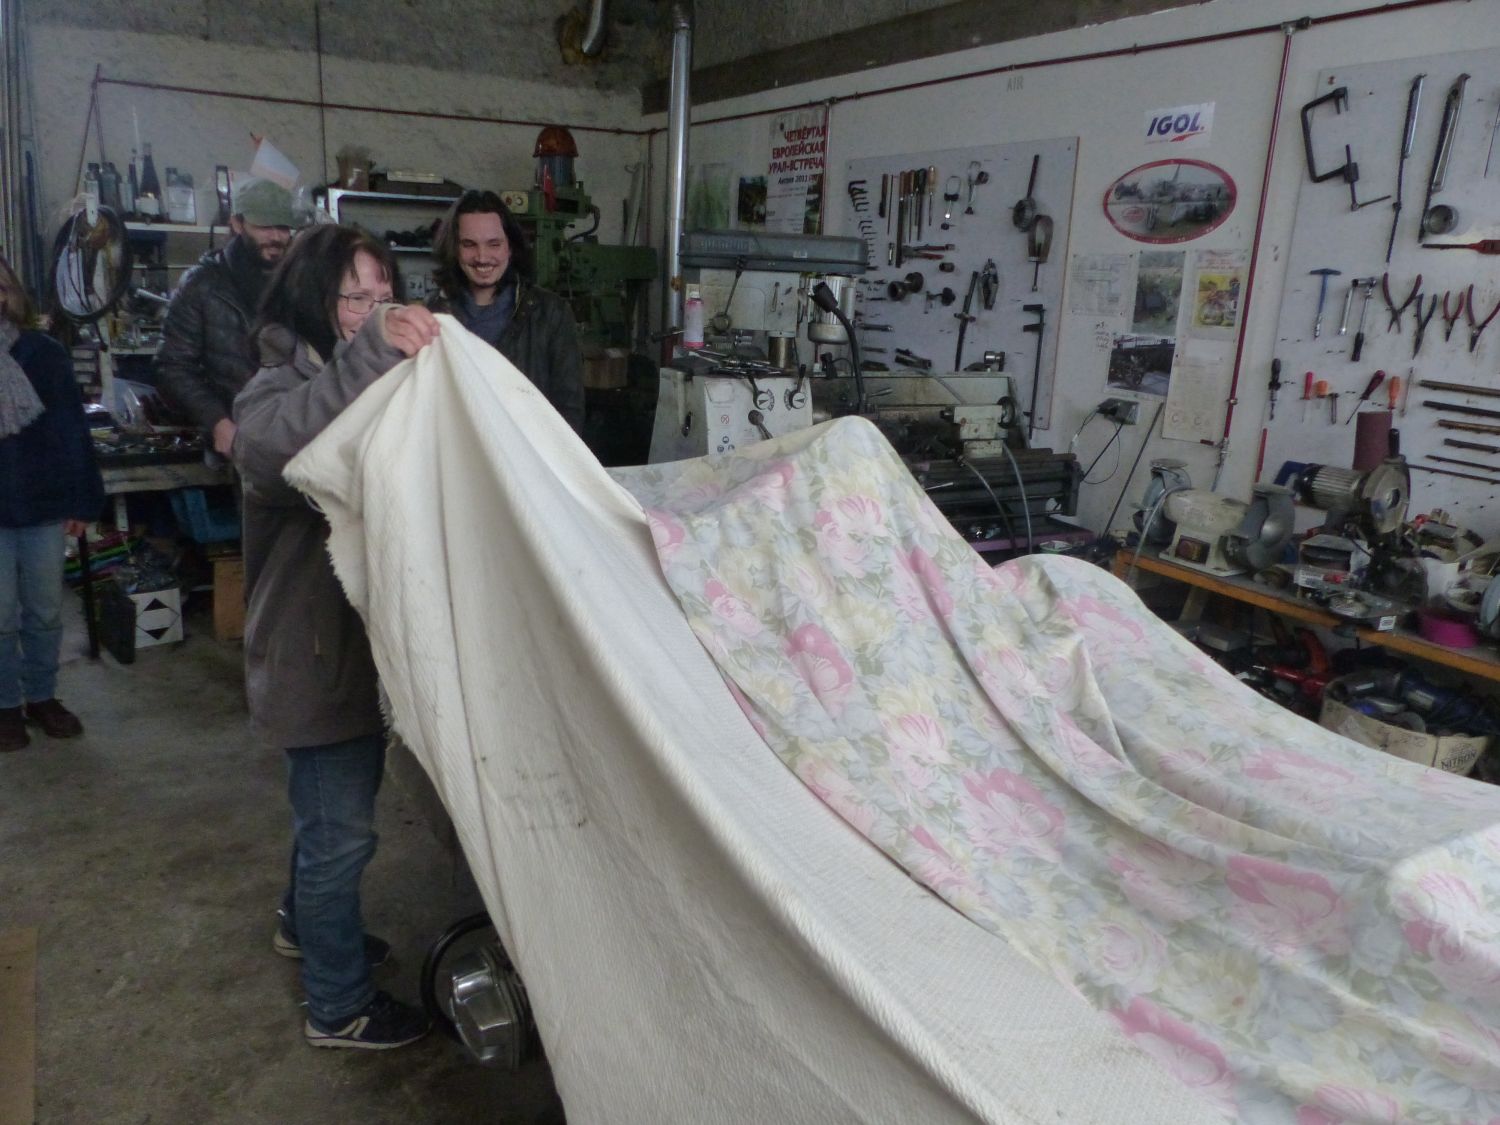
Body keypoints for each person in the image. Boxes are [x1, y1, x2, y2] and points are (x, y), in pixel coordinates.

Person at [232, 223, 440, 1048]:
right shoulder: (275, 389)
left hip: (349, 652)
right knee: (340, 837)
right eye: (353, 296)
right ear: (312, 298)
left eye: (382, 294)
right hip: (312, 659)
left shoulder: (370, 380)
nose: (371, 311)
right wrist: (376, 351)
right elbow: (272, 452)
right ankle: (339, 1005)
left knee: (324, 819)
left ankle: (304, 924)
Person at [0, 253, 104, 752]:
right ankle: (5, 706)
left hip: (40, 504)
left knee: (43, 610)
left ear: (9, 293)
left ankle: (41, 696)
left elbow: (71, 430)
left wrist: (83, 499)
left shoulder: (43, 354)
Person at [156, 177, 299, 457]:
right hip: (236, 440)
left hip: (295, 433)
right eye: (264, 226)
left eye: (283, 227)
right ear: (237, 223)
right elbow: (172, 366)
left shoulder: (298, 282)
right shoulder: (202, 285)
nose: (276, 237)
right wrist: (218, 422)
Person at [426, 189, 585, 431]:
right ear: (454, 249)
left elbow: (569, 410)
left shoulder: (551, 313)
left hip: (528, 451)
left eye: (494, 244)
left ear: (510, 247)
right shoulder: (434, 315)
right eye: (469, 244)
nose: (482, 257)